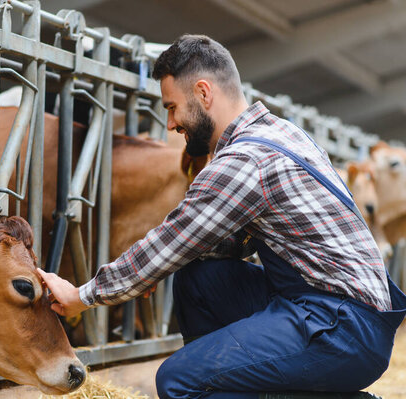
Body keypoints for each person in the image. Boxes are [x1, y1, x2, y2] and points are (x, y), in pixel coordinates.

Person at [38, 34, 406, 398]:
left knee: (178, 381)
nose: (170, 125)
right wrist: (156, 268)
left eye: (171, 108)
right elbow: (203, 244)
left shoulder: (245, 159)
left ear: (203, 93)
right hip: (335, 311)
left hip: (344, 327)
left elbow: (175, 237)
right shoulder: (281, 133)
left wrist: (82, 295)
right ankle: (234, 382)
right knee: (198, 277)